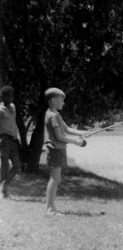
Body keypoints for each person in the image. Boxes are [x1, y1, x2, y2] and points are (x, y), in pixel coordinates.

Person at [44, 87, 87, 215]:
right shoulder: (52, 116)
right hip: (55, 150)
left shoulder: (56, 114)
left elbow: (67, 129)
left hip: (59, 149)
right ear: (53, 100)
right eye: (61, 100)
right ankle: (50, 209)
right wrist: (76, 142)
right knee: (54, 178)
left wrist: (82, 132)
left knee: (56, 179)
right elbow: (59, 137)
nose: (63, 103)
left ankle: (51, 208)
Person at [0, 85, 22, 199]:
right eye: (7, 96)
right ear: (2, 97)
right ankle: (3, 192)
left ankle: (4, 185)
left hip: (13, 140)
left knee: (17, 165)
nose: (10, 98)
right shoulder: (0, 110)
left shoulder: (13, 107)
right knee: (4, 166)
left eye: (11, 96)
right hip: (4, 140)